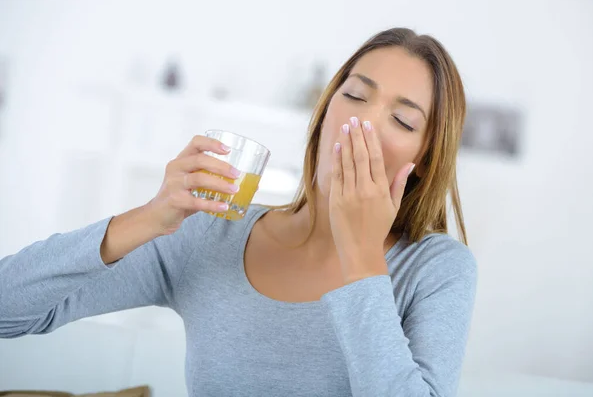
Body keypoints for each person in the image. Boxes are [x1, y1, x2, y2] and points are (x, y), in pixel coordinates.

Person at [0, 28, 477, 397]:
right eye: (354, 95)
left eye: (402, 119)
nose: (363, 125)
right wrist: (151, 216)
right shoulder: (212, 235)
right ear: (326, 109)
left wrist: (360, 256)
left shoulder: (436, 269)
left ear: (425, 159)